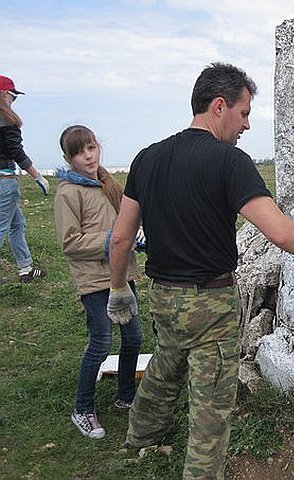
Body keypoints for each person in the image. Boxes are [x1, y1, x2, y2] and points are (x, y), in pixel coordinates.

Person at [107, 62, 294, 480]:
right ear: (219, 106)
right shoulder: (229, 161)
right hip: (209, 303)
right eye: (244, 113)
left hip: (161, 296)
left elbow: (121, 238)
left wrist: (119, 288)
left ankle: (141, 437)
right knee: (211, 406)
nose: (247, 125)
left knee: (166, 362)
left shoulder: (147, 159)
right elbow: (280, 233)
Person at [54, 125, 142, 440]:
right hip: (94, 281)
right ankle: (83, 408)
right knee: (101, 343)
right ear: (68, 158)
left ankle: (126, 395)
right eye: (79, 152)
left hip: (124, 275)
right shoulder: (68, 192)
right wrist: (112, 239)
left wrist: (138, 235)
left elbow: (129, 216)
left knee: (133, 338)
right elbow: (69, 242)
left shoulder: (108, 182)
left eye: (92, 148)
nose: (88, 156)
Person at [0, 74, 48, 283]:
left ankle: (25, 268)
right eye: (13, 96)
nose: (13, 100)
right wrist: (38, 176)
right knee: (2, 227)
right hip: (5, 180)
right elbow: (16, 152)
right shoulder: (6, 119)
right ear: (3, 94)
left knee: (17, 224)